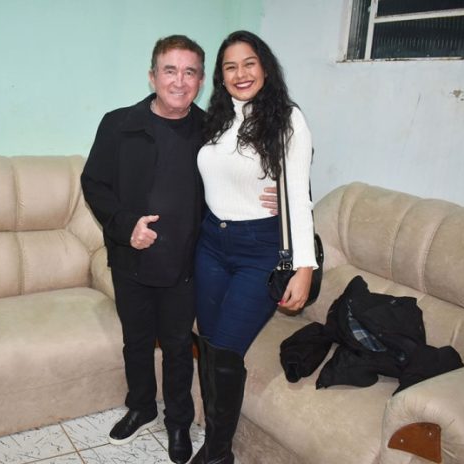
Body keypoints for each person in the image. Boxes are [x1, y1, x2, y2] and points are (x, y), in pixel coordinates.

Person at [81, 35, 277, 464]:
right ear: (153, 76)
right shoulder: (118, 124)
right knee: (135, 340)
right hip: (130, 256)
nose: (179, 81)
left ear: (202, 81)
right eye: (170, 70)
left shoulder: (214, 131)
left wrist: (277, 193)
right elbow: (93, 183)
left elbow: (247, 175)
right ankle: (141, 406)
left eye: (190, 72)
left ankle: (178, 422)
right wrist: (125, 226)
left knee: (176, 347)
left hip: (188, 263)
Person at [192, 30, 318, 464]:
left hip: (259, 249)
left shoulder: (287, 119)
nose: (240, 73)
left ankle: (217, 455)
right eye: (230, 67)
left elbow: (298, 195)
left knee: (227, 350)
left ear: (264, 67)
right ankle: (214, 443)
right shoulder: (216, 119)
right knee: (209, 344)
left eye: (249, 63)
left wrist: (305, 267)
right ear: (221, 77)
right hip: (212, 244)